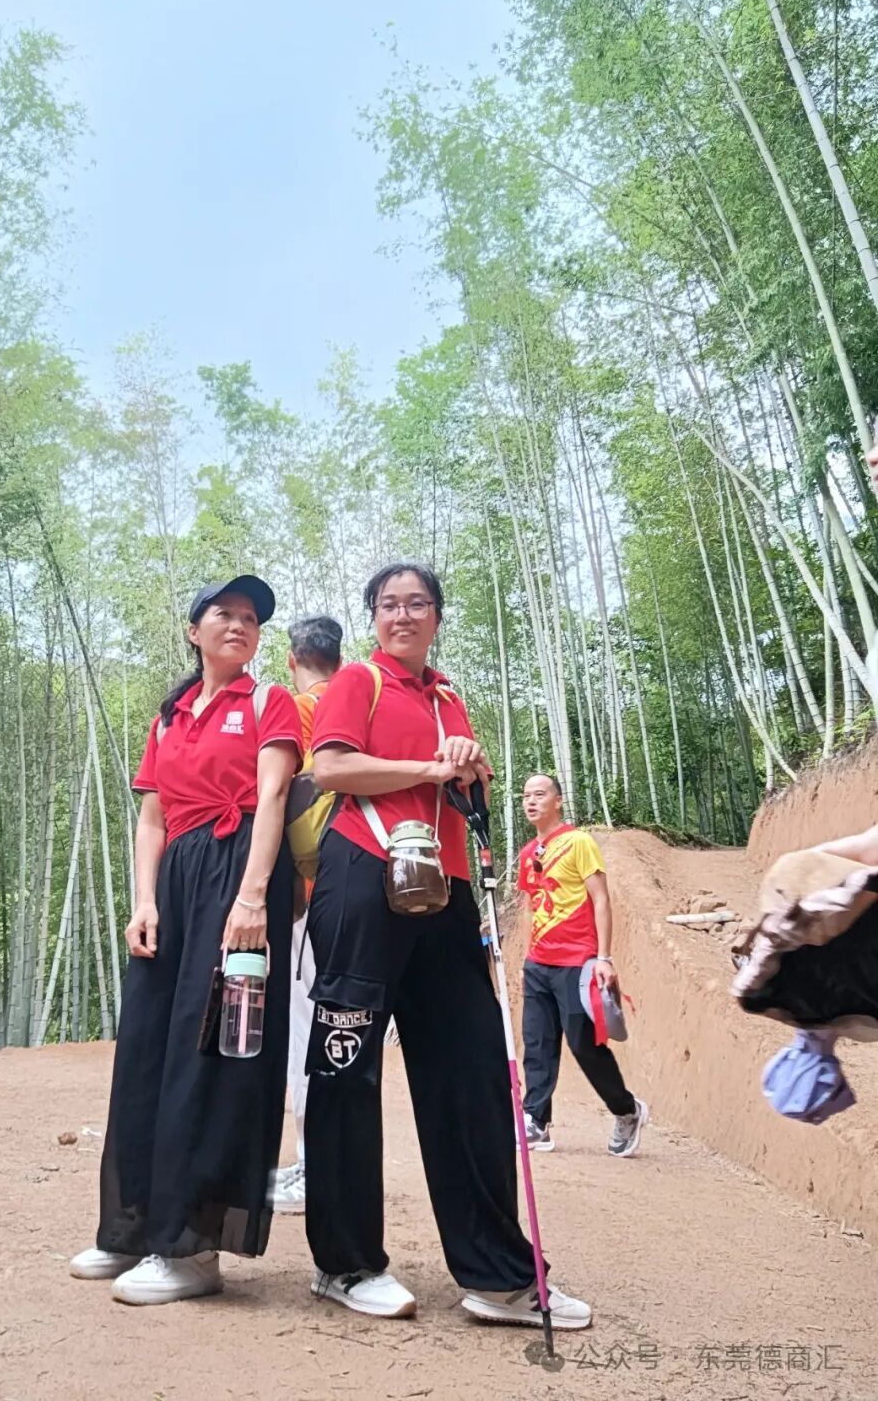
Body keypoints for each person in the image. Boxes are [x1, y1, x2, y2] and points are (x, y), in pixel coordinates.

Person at [302, 561, 591, 1328]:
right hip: (362, 877)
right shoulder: (359, 681)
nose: (403, 614)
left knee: (470, 1071)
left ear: (437, 615)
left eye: (418, 603)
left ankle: (498, 1274)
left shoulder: (449, 696)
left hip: (446, 886)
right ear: (373, 616)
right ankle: (345, 1261)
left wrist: (472, 775)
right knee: (346, 1065)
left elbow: (464, 794)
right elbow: (329, 766)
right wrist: (431, 766)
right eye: (389, 603)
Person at [69, 575, 302, 1305]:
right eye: (223, 613)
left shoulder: (268, 701)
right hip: (174, 878)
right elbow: (152, 818)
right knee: (146, 1047)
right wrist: (144, 900)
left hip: (241, 872)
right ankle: (134, 1225)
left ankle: (193, 1246)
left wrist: (253, 897)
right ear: (193, 630)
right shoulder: (169, 717)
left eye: (251, 617)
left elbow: (273, 795)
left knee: (211, 1050)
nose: (239, 624)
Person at [517, 774, 648, 1158]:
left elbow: (601, 899)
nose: (531, 801)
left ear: (558, 801)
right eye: (525, 796)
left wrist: (603, 958)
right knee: (537, 1044)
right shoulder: (528, 853)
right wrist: (526, 955)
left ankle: (627, 1110)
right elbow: (531, 905)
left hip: (577, 961)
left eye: (539, 794)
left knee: (583, 1044)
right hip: (538, 963)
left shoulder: (579, 842)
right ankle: (536, 1120)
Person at [270, 614, 343, 1216]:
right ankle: (319, 1162)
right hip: (361, 890)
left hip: (310, 892)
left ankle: (315, 1166)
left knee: (307, 1031)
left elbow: (276, 796)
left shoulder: (294, 710)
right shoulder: (359, 703)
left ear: (292, 659)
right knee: (340, 1029)